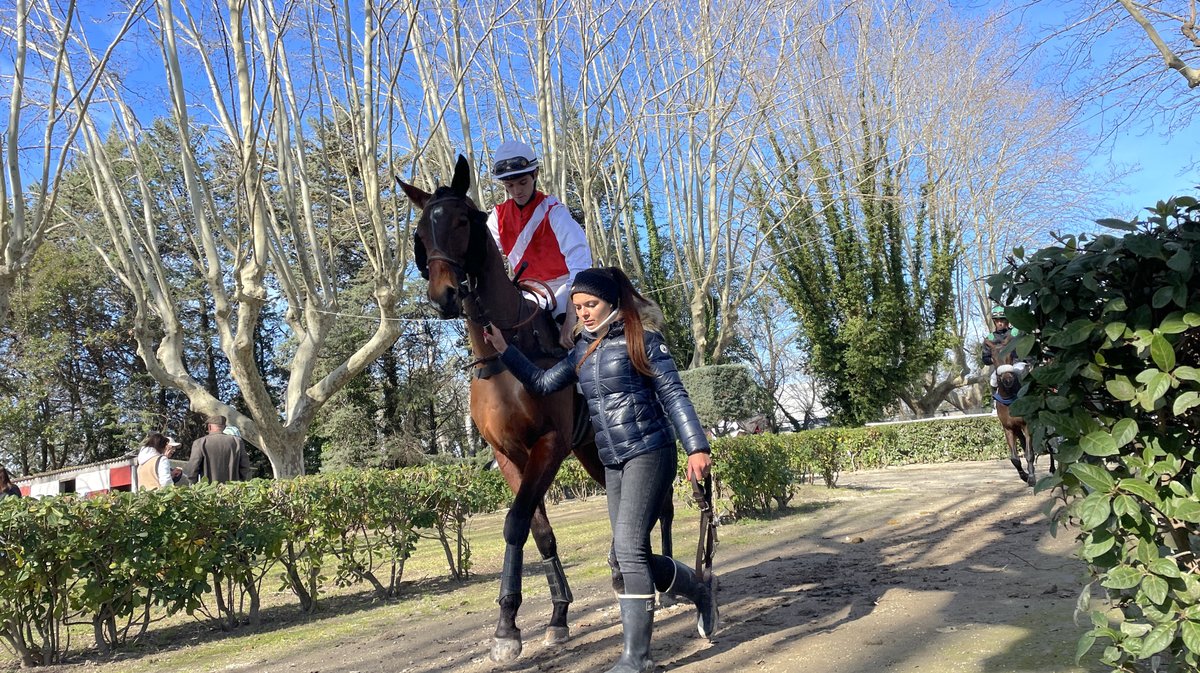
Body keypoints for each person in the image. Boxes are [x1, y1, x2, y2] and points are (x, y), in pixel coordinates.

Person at [482, 266, 718, 673]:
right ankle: (698, 590)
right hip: (613, 461)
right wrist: (505, 350)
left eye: (590, 305)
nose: (584, 314)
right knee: (632, 554)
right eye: (577, 308)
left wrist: (696, 446)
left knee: (626, 550)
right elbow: (540, 383)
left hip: (650, 451)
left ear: (611, 301)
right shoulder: (582, 351)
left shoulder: (642, 339)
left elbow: (675, 394)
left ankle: (636, 659)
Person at [486, 140, 593, 349]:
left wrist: (573, 312)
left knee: (578, 334)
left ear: (535, 174)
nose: (516, 191)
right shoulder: (497, 216)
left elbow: (579, 257)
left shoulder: (554, 210)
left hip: (564, 286)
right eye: (509, 186)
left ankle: (588, 378)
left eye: (522, 182)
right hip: (528, 292)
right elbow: (485, 256)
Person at [186, 415, 252, 484]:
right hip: (231, 490)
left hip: (208, 490)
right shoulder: (237, 442)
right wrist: (240, 482)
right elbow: (245, 467)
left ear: (209, 427)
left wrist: (194, 485)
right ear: (225, 427)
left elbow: (192, 469)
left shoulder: (200, 443)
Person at [982, 306, 1027, 389]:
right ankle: (996, 400)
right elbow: (985, 358)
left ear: (1007, 321)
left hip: (1017, 363)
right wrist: (994, 359)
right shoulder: (990, 338)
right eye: (997, 320)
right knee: (993, 381)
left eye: (1002, 320)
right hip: (1000, 367)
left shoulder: (1016, 333)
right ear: (994, 322)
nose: (1000, 323)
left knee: (1020, 373)